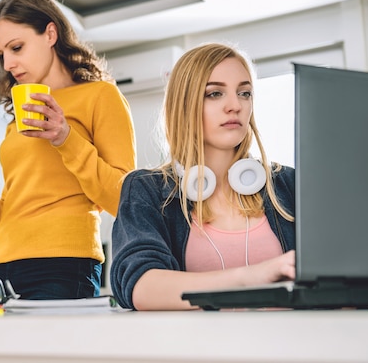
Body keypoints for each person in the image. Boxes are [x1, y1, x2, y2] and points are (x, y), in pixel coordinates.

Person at [0, 0, 136, 300]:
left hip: (64, 263)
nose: (8, 63)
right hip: (2, 267)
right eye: (1, 55)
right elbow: (8, 217)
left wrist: (65, 138)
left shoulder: (100, 97)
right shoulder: (19, 118)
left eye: (17, 47)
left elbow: (123, 200)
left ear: (50, 33)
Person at [110, 42, 295, 310]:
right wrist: (250, 278)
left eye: (244, 93)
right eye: (215, 94)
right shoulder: (146, 190)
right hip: (197, 349)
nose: (235, 105)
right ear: (184, 105)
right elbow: (140, 286)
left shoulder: (289, 185)